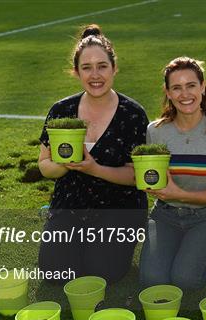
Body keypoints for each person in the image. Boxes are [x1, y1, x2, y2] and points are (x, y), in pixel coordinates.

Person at [38, 24, 149, 284]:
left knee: (103, 274)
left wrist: (93, 168)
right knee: (55, 274)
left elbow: (137, 176)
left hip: (119, 208)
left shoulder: (133, 114)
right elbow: (44, 164)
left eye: (102, 66)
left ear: (114, 68)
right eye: (86, 68)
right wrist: (65, 165)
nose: (95, 75)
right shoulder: (61, 110)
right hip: (70, 205)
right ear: (76, 72)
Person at [139, 57, 206, 290]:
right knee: (153, 280)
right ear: (168, 92)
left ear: (202, 86)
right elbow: (152, 179)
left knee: (185, 279)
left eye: (191, 85)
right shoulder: (156, 132)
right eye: (176, 88)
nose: (185, 94)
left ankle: (204, 246)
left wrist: (179, 194)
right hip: (165, 215)